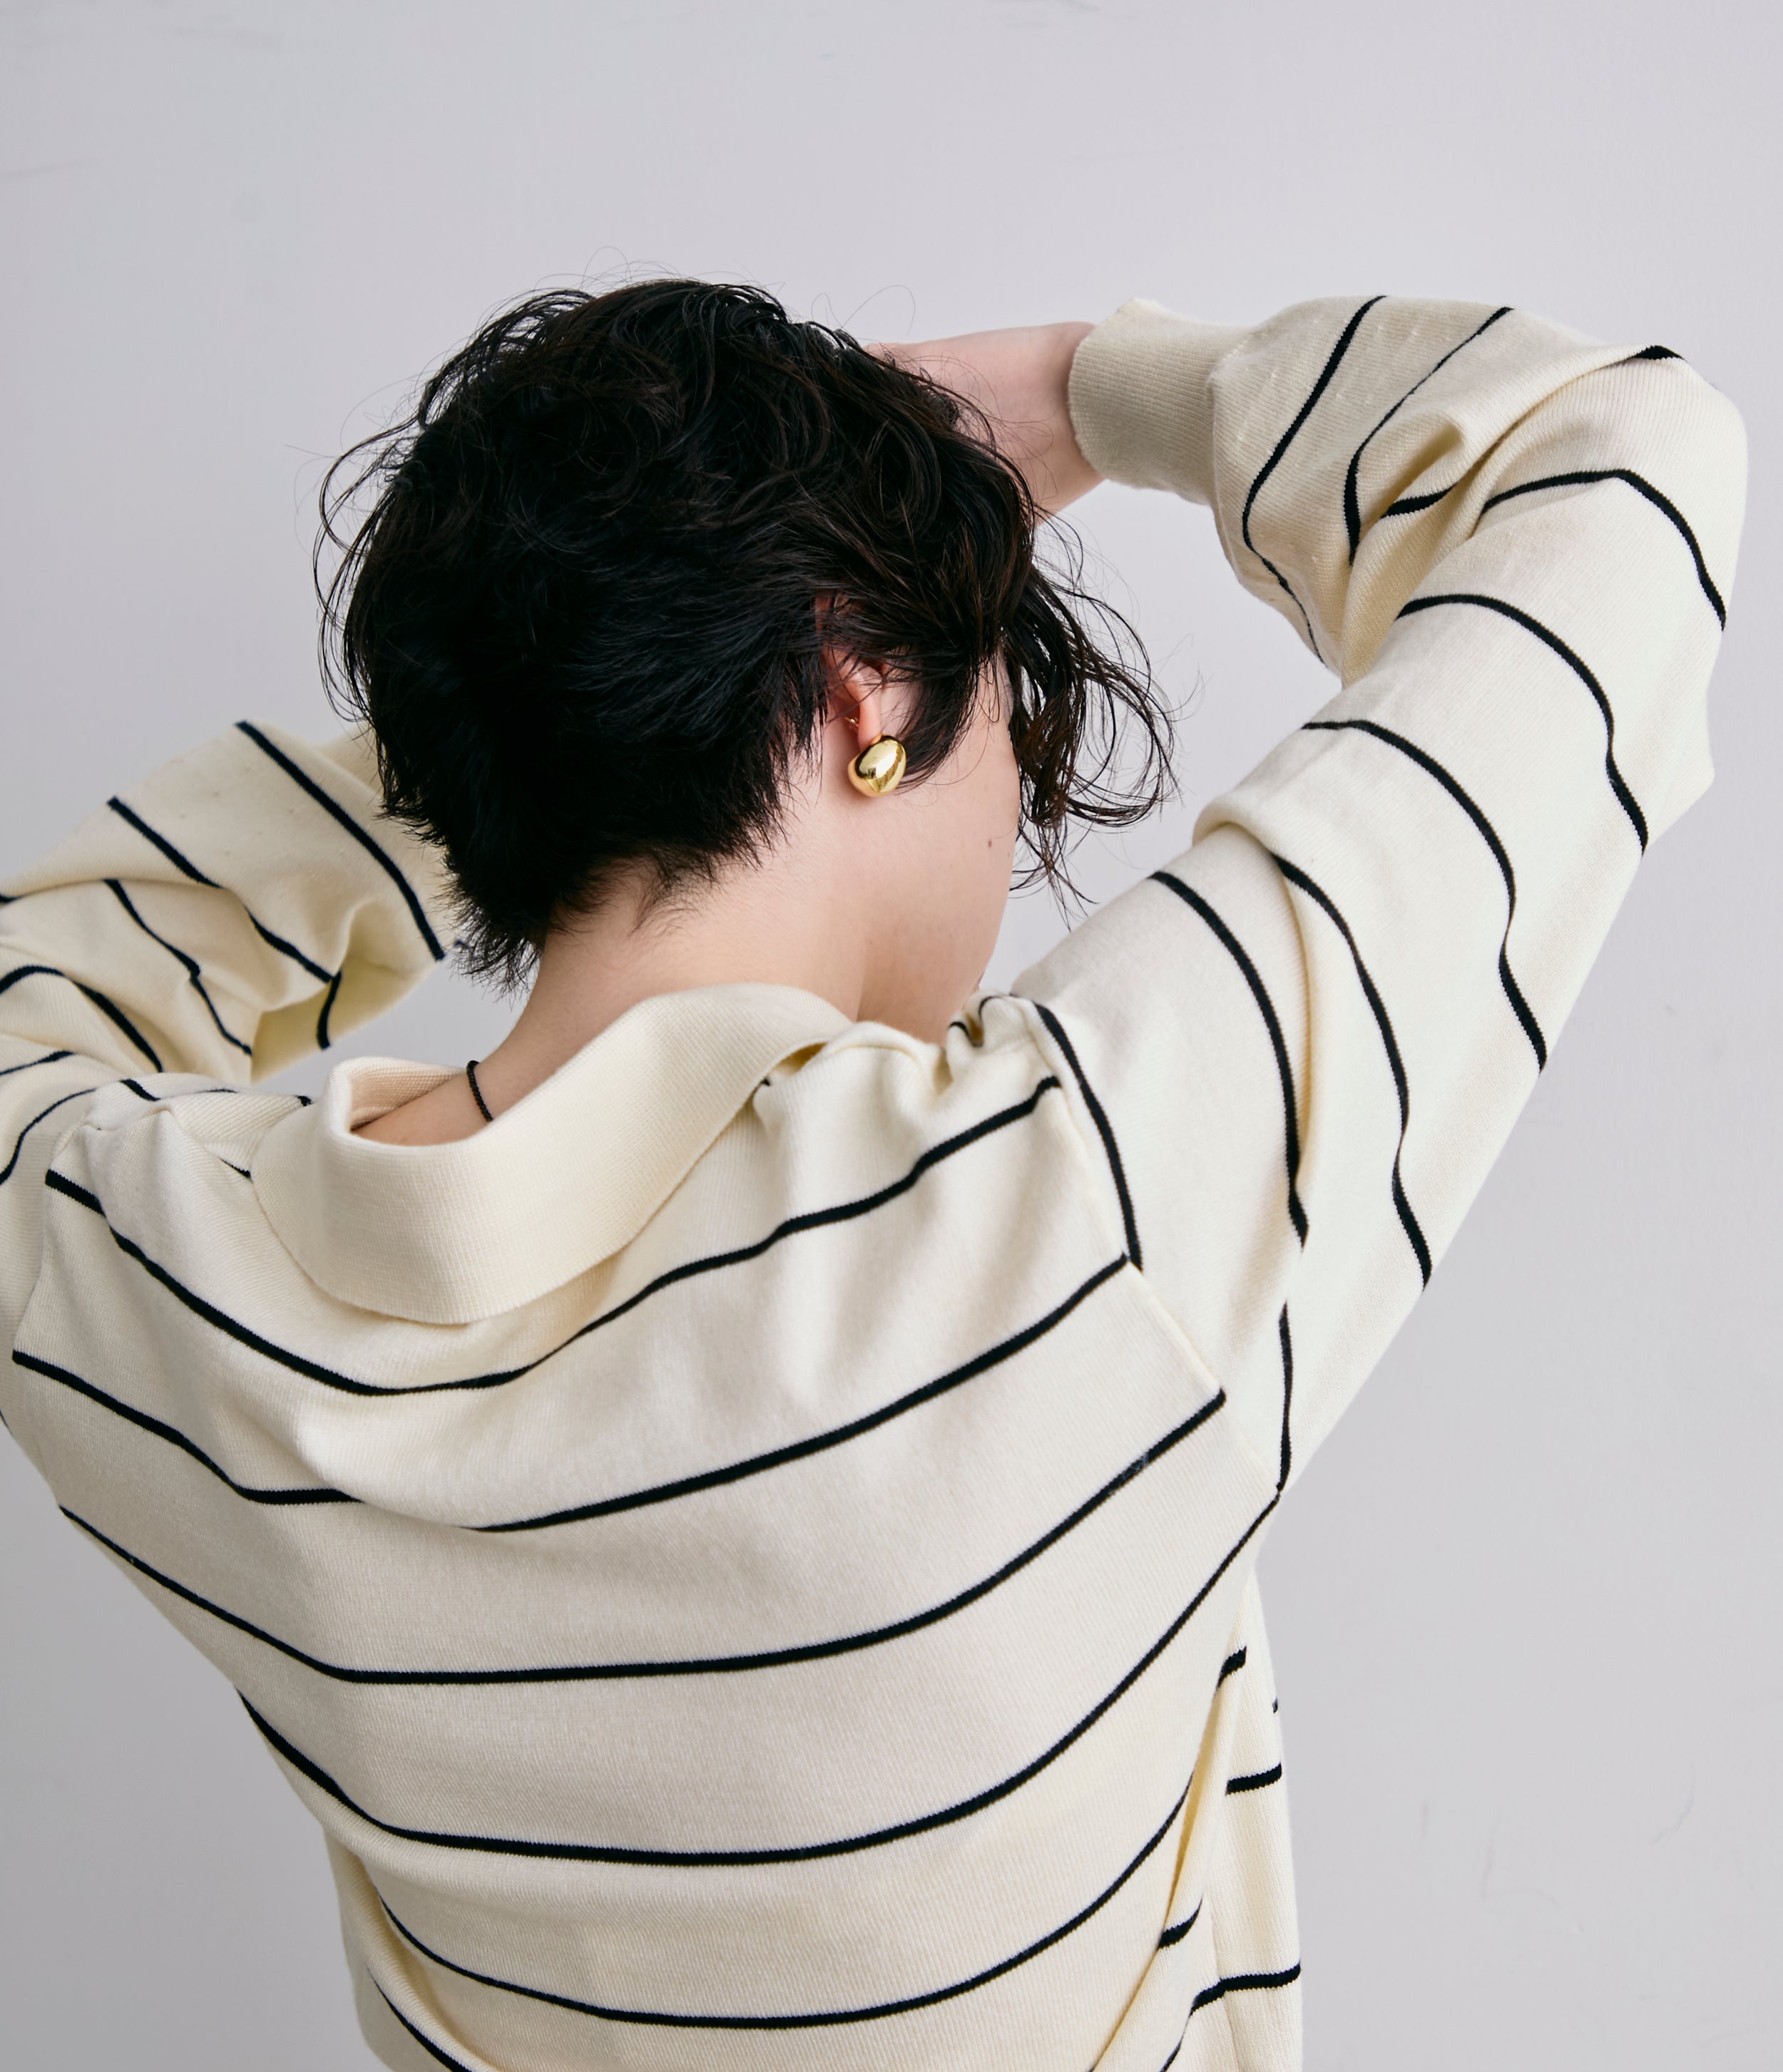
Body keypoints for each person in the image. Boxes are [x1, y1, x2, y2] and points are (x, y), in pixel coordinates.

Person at [0, 278, 1743, 2072]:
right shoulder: (1054, 1207)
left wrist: (547, 710)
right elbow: (1625, 467)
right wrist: (1094, 391)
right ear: (871, 699)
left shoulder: (186, 1289)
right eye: (1000, 731)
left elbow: (37, 993)